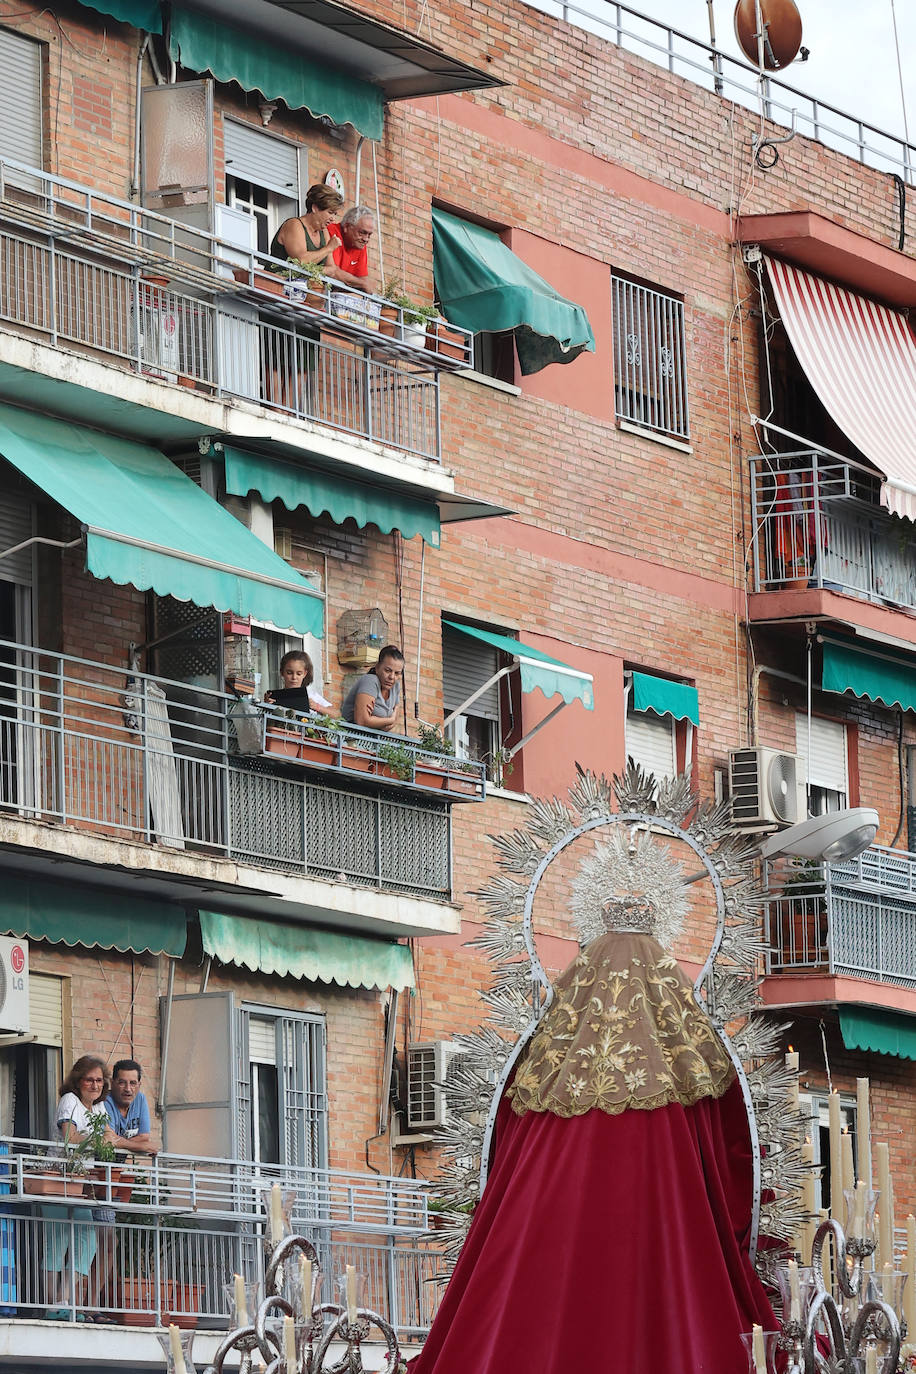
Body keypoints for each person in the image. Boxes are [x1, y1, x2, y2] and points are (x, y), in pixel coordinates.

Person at [409, 903, 778, 1373]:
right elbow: (736, 1178)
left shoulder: (539, 1087)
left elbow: (494, 1165)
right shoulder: (694, 1086)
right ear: (668, 993)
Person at [43, 1055, 118, 1322]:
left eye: (99, 1080)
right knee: (57, 1241)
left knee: (86, 1243)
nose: (95, 1085)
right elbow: (69, 1138)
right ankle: (53, 1304)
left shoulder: (99, 1109)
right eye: (89, 1079)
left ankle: (68, 1301)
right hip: (58, 1179)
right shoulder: (70, 1102)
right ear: (78, 1081)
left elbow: (111, 1140)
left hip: (82, 1183)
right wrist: (100, 1138)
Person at [269, 183, 345, 268]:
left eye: (335, 214)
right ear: (315, 208)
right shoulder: (294, 224)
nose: (333, 219)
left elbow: (332, 269)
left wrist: (358, 281)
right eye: (330, 212)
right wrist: (328, 248)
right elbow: (301, 261)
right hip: (275, 279)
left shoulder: (323, 231)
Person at [341, 645, 404, 732]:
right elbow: (361, 721)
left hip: (373, 741)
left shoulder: (395, 686)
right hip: (350, 738)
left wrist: (372, 721)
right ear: (377, 668)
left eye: (397, 673)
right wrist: (389, 720)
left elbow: (391, 726)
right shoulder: (370, 681)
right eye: (387, 670)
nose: (392, 677)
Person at [104, 1059, 157, 1155]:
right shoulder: (105, 1101)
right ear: (112, 1083)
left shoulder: (140, 1099)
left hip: (118, 1163)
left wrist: (120, 1142)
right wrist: (141, 1146)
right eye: (122, 1083)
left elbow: (144, 1137)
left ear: (139, 1085)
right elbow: (109, 1139)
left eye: (133, 1083)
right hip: (97, 1163)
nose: (128, 1089)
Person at [324, 206, 375, 292]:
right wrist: (361, 284)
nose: (366, 239)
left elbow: (364, 280)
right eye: (362, 233)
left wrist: (362, 284)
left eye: (369, 235)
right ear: (346, 227)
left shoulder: (359, 245)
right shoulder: (331, 232)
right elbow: (333, 272)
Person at [263, 650, 331, 715]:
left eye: (299, 674)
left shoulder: (311, 695)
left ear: (305, 674)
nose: (294, 677)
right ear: (282, 672)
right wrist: (267, 705)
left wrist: (317, 706)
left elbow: (336, 715)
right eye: (289, 673)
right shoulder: (275, 697)